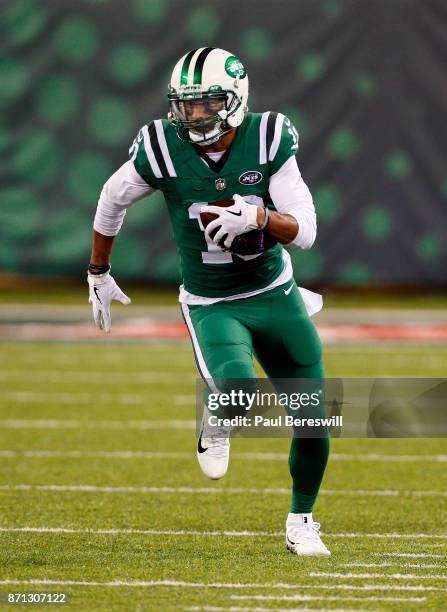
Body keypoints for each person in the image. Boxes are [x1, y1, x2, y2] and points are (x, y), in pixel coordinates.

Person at [88, 47, 330, 556]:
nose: (195, 115)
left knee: (314, 418)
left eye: (208, 102)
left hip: (276, 292)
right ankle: (216, 420)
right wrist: (98, 269)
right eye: (186, 105)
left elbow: (305, 231)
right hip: (212, 300)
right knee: (237, 390)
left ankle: (301, 519)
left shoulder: (268, 137)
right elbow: (112, 197)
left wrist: (261, 219)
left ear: (236, 98)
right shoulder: (160, 146)